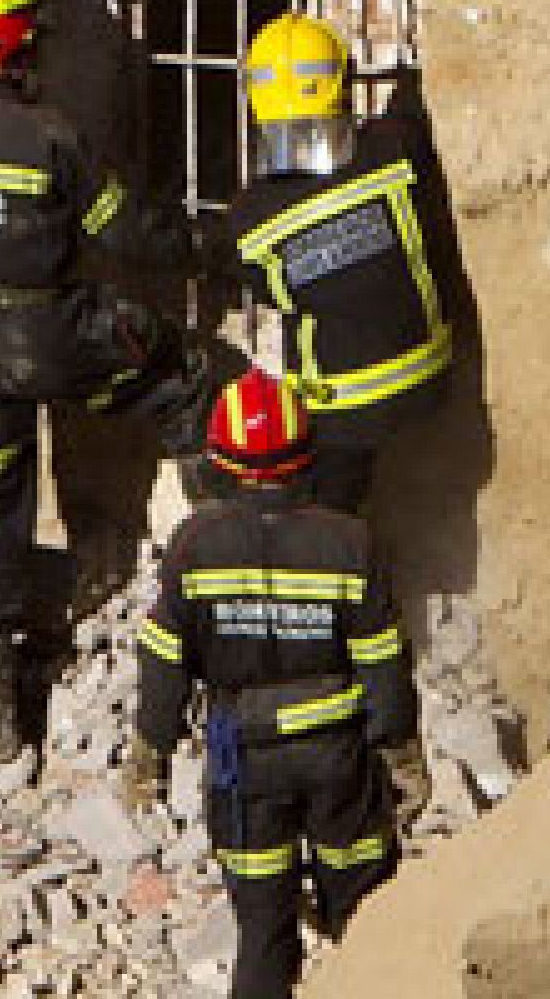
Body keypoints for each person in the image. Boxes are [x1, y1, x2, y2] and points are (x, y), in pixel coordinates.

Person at [0, 0, 210, 764]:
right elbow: (126, 230)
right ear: (13, 57)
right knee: (180, 378)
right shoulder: (49, 137)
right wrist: (206, 244)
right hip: (56, 335)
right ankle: (220, 547)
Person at [124, 368, 430, 999]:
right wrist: (403, 757)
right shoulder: (349, 541)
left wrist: (150, 754)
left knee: (264, 933)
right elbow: (384, 663)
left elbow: (165, 660)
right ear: (306, 453)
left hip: (246, 767)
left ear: (219, 461)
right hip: (338, 760)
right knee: (366, 921)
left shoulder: (195, 545)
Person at [228, 13, 454, 513]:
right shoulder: (396, 150)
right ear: (342, 82)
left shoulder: (250, 219)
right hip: (430, 373)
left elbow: (265, 290)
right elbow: (411, 112)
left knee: (320, 505)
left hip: (340, 409)